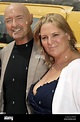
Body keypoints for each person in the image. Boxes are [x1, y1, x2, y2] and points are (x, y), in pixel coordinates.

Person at [27, 13, 80, 114]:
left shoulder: (77, 67)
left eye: (55, 35)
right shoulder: (49, 64)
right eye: (44, 38)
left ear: (67, 35)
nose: (50, 42)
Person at [0, 3, 48, 114]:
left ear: (30, 19)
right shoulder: (4, 53)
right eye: (8, 20)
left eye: (19, 18)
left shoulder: (46, 49)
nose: (14, 24)